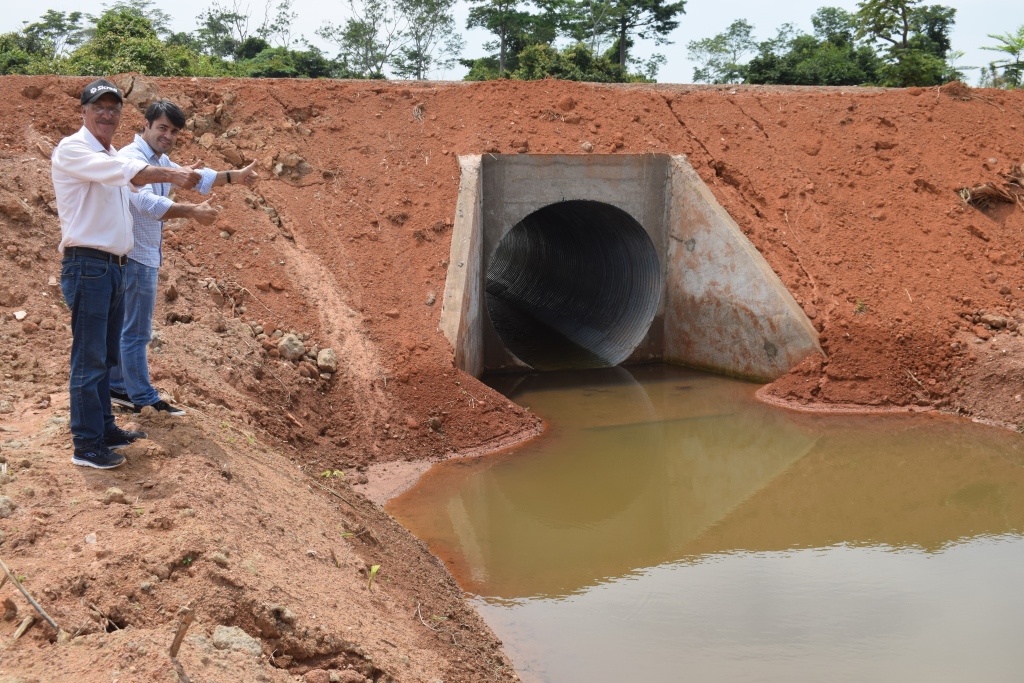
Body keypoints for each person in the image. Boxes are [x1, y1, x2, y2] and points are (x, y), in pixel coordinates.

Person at [52, 79, 203, 469]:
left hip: (114, 265)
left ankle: (104, 428)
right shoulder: (75, 149)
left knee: (105, 355)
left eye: (114, 108)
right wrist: (172, 177)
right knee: (89, 359)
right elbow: (126, 172)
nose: (107, 114)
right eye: (99, 107)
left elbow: (129, 175)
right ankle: (86, 445)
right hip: (88, 264)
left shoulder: (113, 153)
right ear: (84, 111)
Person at [109, 100, 258, 416]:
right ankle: (142, 396)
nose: (168, 135)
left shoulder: (159, 159)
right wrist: (191, 212)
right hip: (134, 255)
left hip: (140, 254)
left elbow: (197, 176)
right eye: (162, 128)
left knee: (126, 327)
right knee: (136, 331)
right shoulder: (130, 158)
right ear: (145, 125)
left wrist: (235, 176)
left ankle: (119, 386)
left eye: (174, 131)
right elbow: (145, 203)